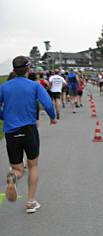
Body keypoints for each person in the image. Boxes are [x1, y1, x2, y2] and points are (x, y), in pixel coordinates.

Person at [0, 56, 57, 214]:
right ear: (27, 70)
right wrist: (53, 117)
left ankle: (13, 178)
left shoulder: (4, 87)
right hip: (28, 130)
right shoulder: (34, 85)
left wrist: (5, 116)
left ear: (13, 70)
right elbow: (47, 103)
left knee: (18, 168)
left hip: (11, 132)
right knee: (33, 166)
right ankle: (30, 202)